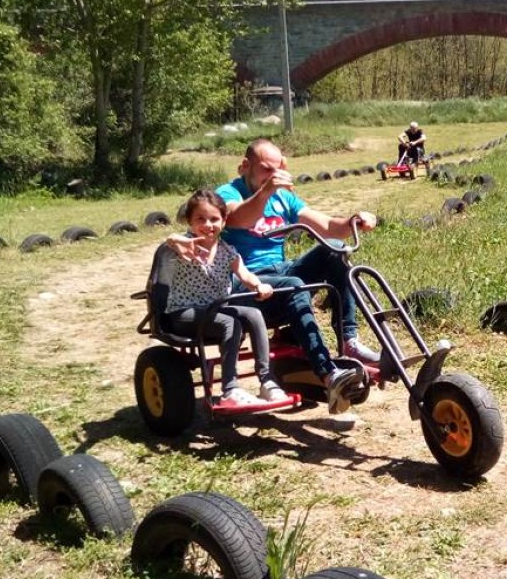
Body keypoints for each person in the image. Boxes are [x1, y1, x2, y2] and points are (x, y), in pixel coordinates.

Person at [217, 138, 381, 414]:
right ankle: (328, 374)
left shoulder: (283, 197)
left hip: (280, 274)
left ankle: (348, 341)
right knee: (294, 285)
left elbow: (327, 225)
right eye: (266, 169)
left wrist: (354, 220)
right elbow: (237, 219)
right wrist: (267, 192)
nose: (273, 176)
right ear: (245, 166)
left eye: (277, 169)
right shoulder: (228, 193)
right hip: (246, 284)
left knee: (336, 250)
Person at [162, 189, 289, 407]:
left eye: (214, 219)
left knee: (254, 313)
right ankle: (230, 389)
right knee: (230, 321)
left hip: (215, 309)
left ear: (224, 221)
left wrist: (259, 285)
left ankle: (267, 381)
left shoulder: (227, 251)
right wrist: (175, 239)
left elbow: (246, 274)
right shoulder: (184, 246)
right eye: (200, 219)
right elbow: (170, 242)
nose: (208, 225)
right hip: (184, 312)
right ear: (190, 222)